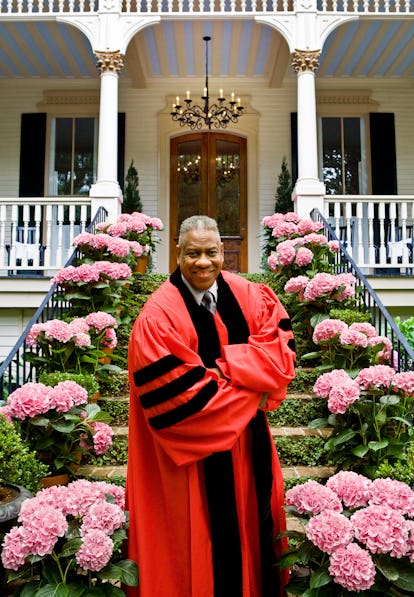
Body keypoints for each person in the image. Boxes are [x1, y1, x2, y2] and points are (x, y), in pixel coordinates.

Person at [126, 215, 296, 597]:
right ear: (178, 253)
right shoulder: (157, 318)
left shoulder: (250, 295)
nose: (203, 262)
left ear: (222, 251)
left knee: (253, 535)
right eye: (192, 254)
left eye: (211, 252)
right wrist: (252, 381)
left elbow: (282, 358)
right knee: (197, 552)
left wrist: (221, 371)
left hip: (249, 452)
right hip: (190, 465)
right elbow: (183, 403)